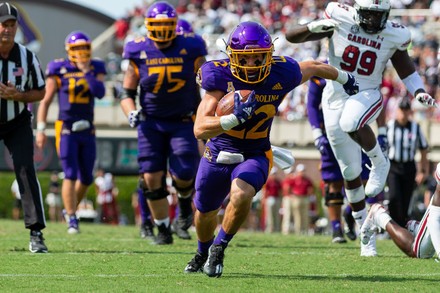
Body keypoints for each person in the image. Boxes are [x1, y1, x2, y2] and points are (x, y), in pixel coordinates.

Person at [184, 21, 359, 277]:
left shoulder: (282, 71)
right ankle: (202, 251)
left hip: (255, 152)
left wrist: (345, 78)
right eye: (246, 58)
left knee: (242, 194)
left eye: (259, 58)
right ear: (232, 57)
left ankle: (219, 248)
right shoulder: (218, 74)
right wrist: (232, 118)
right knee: (204, 213)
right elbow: (200, 128)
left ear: (269, 55)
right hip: (218, 151)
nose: (253, 65)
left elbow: (314, 67)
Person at [286, 0, 437, 256]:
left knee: (350, 121)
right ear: (357, 11)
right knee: (350, 172)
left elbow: (404, 66)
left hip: (367, 92)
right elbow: (291, 35)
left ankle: (380, 162)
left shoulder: (393, 33)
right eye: (368, 15)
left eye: (378, 16)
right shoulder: (339, 16)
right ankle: (364, 232)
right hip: (333, 98)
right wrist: (313, 26)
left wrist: (418, 91)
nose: (372, 22)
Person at [119, 1, 207, 244]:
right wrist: (130, 112)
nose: (162, 30)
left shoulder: (191, 47)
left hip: (182, 121)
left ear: (175, 26)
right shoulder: (138, 50)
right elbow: (126, 92)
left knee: (185, 173)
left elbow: (207, 82)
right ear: (148, 26)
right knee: (151, 177)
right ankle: (162, 228)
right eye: (158, 25)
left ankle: (184, 203)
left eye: (167, 25)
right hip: (151, 123)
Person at [36, 30, 107, 234]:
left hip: (88, 127)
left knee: (86, 178)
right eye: (77, 49)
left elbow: (100, 93)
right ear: (69, 51)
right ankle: (72, 218)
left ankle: (70, 211)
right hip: (66, 126)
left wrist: (86, 71)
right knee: (70, 173)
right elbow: (46, 100)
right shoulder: (58, 68)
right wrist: (41, 129)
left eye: (84, 48)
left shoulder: (95, 67)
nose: (81, 52)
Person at [0, 2, 47, 253]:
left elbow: (40, 91)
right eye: (3, 24)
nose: (7, 29)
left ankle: (36, 233)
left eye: (11, 24)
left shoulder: (27, 55)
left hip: (17, 120)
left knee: (26, 171)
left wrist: (16, 96)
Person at [361, 162, 440, 260]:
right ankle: (379, 216)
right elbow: (435, 215)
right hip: (436, 213)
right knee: (420, 252)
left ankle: (418, 228)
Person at [386, 96, 429, 227]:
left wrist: (423, 171)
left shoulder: (416, 127)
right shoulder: (389, 126)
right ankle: (394, 226)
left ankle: (402, 227)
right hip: (393, 166)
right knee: (393, 197)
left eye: (406, 110)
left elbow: (423, 149)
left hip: (409, 166)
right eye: (401, 110)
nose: (403, 113)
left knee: (406, 199)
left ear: (410, 112)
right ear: (397, 110)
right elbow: (381, 147)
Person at [281, 164, 315, 235]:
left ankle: (305, 231)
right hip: (297, 198)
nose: (302, 172)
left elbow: (311, 189)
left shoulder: (307, 180)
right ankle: (298, 231)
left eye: (303, 171)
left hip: (305, 198)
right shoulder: (294, 179)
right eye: (301, 171)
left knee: (305, 216)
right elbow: (287, 187)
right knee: (297, 216)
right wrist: (291, 195)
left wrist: (309, 195)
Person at [262, 166, 282, 233]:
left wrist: (280, 200)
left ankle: (276, 229)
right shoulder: (268, 181)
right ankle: (269, 229)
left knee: (276, 215)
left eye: (275, 173)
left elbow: (280, 191)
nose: (274, 175)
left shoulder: (278, 182)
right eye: (273, 174)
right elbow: (265, 191)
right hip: (269, 198)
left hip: (277, 199)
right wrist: (264, 199)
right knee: (269, 215)